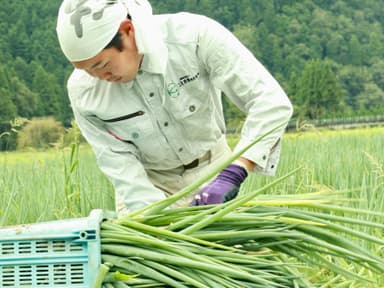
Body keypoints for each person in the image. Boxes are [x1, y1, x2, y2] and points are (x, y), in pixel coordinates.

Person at [56, 0, 293, 215]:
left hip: (212, 170)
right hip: (149, 182)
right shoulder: (83, 91)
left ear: (127, 31)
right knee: (151, 258)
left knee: (231, 256)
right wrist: (160, 221)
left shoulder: (194, 37)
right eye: (86, 69)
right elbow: (119, 163)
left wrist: (234, 172)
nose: (98, 76)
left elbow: (271, 102)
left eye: (102, 64)